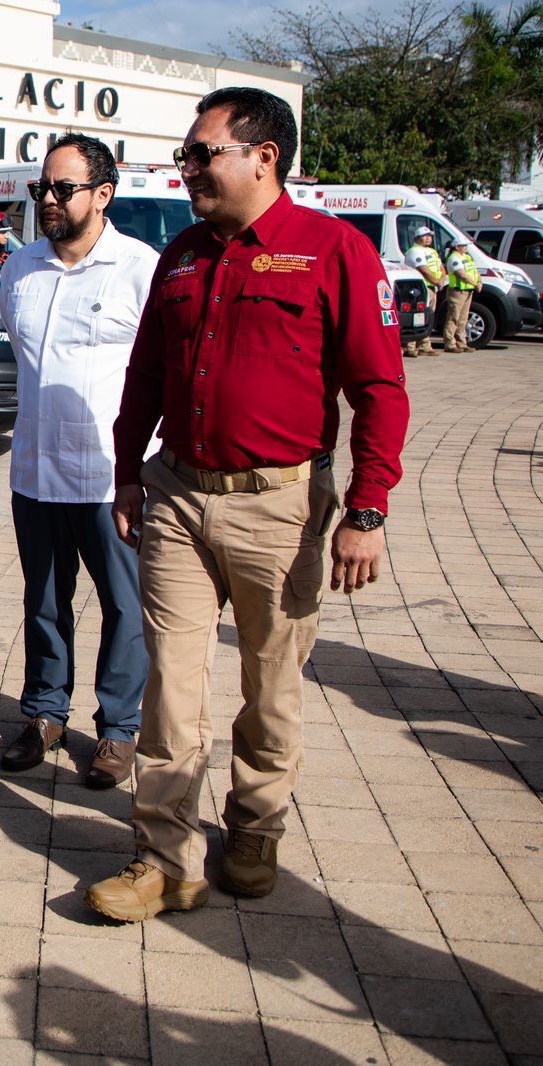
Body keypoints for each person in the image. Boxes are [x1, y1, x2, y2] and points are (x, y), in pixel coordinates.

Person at [87, 86, 409, 922]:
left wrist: (366, 510)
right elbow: (147, 376)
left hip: (285, 507)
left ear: (262, 157)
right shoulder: (184, 254)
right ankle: (166, 858)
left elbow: (380, 389)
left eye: (201, 153)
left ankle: (256, 826)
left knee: (270, 685)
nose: (185, 167)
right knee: (171, 688)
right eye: (187, 155)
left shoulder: (334, 251)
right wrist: (127, 472)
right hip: (180, 500)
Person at [0, 133, 157, 789]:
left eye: (64, 189)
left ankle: (118, 730)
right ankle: (44, 713)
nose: (50, 200)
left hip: (108, 479)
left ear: (103, 195)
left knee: (124, 606)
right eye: (43, 188)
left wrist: (142, 472)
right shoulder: (19, 269)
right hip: (35, 472)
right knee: (43, 601)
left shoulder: (139, 268)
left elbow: (159, 375)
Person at [404, 225, 446, 358]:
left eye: (430, 236)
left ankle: (425, 345)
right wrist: (436, 281)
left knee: (428, 317)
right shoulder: (415, 251)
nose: (428, 238)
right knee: (417, 316)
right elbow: (423, 269)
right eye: (425, 236)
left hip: (432, 287)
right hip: (421, 288)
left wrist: (441, 280)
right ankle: (410, 346)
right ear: (417, 238)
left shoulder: (432, 252)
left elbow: (441, 267)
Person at [442, 235, 482, 352]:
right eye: (463, 246)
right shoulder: (454, 258)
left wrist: (479, 281)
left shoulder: (466, 257)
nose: (466, 248)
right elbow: (461, 273)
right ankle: (449, 343)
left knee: (463, 318)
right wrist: (475, 284)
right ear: (456, 247)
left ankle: (461, 343)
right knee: (453, 317)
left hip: (468, 290)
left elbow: (474, 271)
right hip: (457, 291)